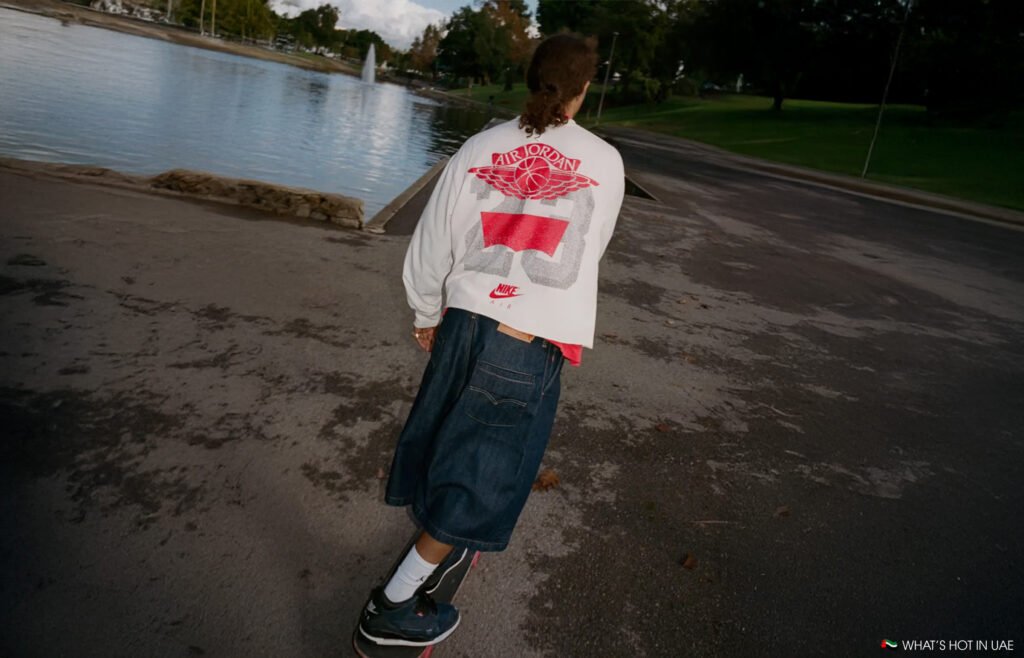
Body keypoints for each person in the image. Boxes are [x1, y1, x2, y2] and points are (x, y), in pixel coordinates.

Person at [358, 34, 625, 648]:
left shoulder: (479, 145)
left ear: (533, 80)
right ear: (584, 90)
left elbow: (431, 242)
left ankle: (434, 544)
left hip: (464, 323)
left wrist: (427, 313)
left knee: (446, 440)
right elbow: (590, 253)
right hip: (523, 342)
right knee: (479, 477)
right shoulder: (604, 162)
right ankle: (390, 608)